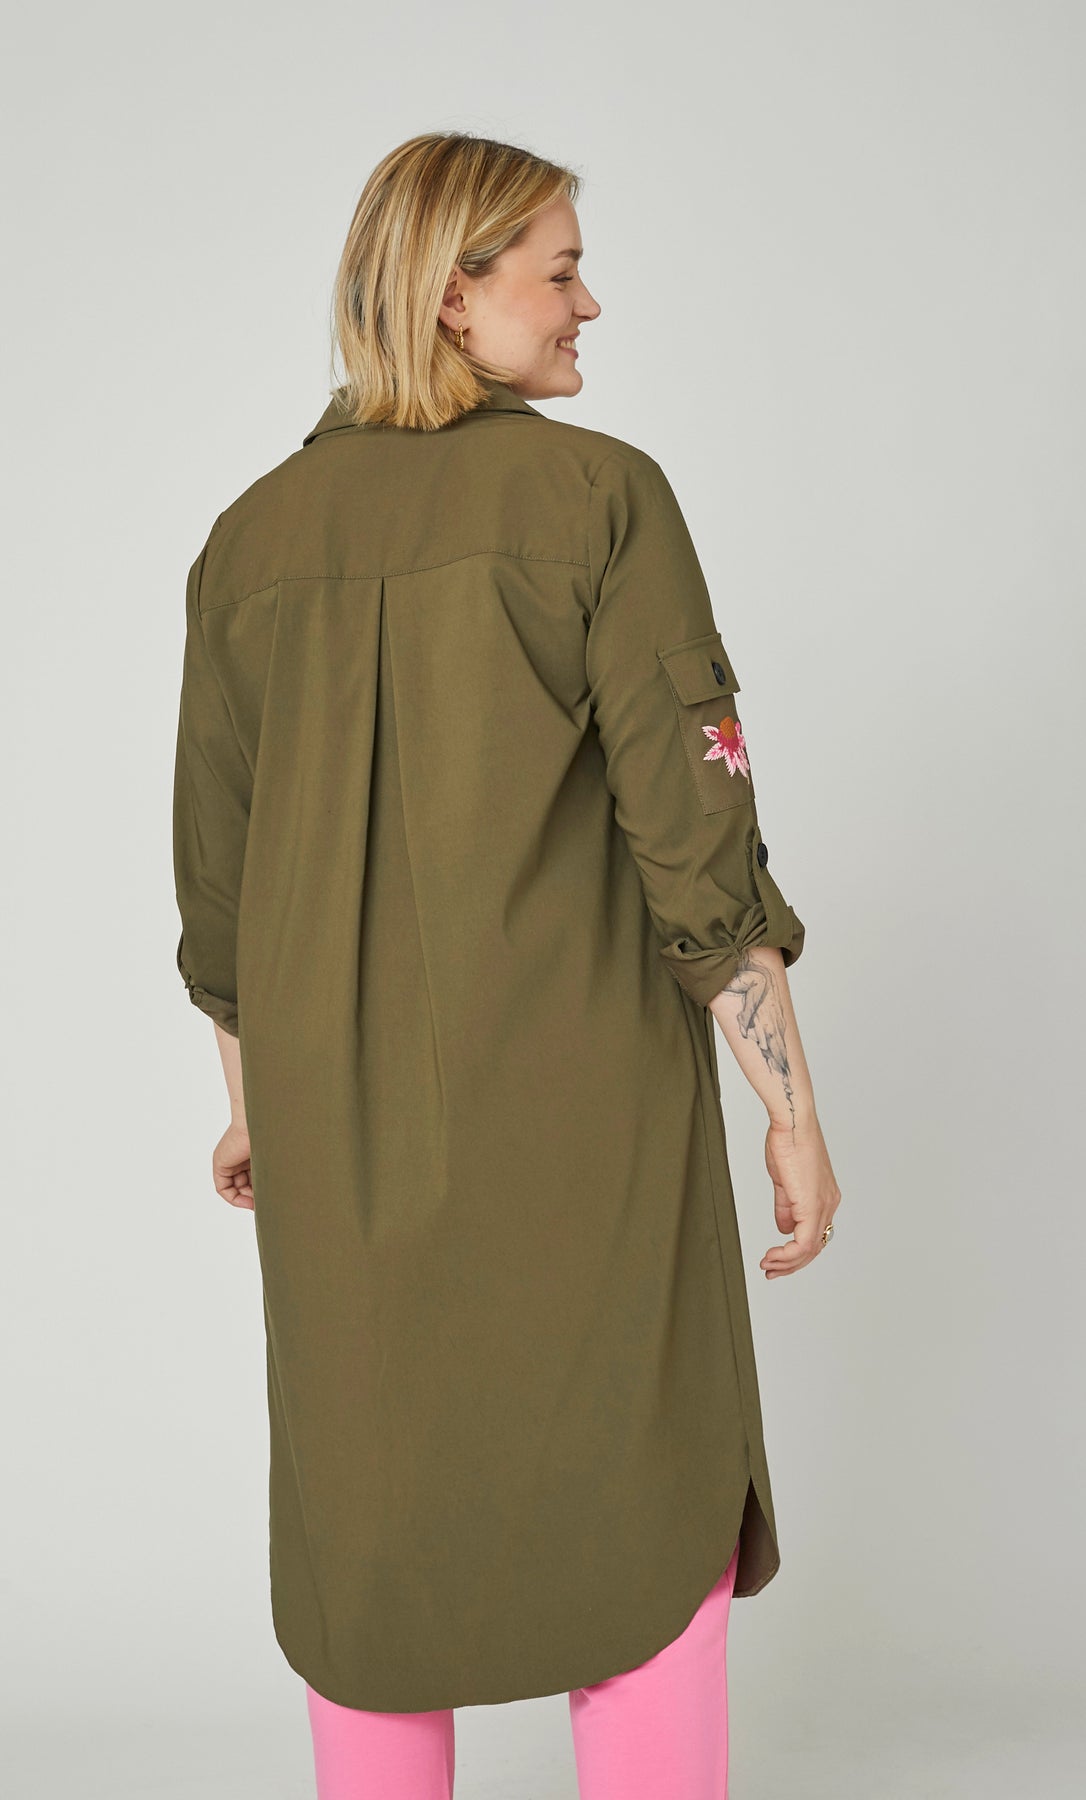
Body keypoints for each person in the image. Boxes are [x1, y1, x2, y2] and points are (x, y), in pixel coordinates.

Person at [171, 131, 842, 1800]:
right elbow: (696, 843)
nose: (586, 303)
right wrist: (789, 1109)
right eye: (558, 270)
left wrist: (254, 1106)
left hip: (338, 1141)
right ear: (451, 295)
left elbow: (219, 897)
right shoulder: (598, 497)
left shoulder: (248, 542)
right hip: (586, 1128)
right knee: (643, 1514)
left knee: (372, 1553)